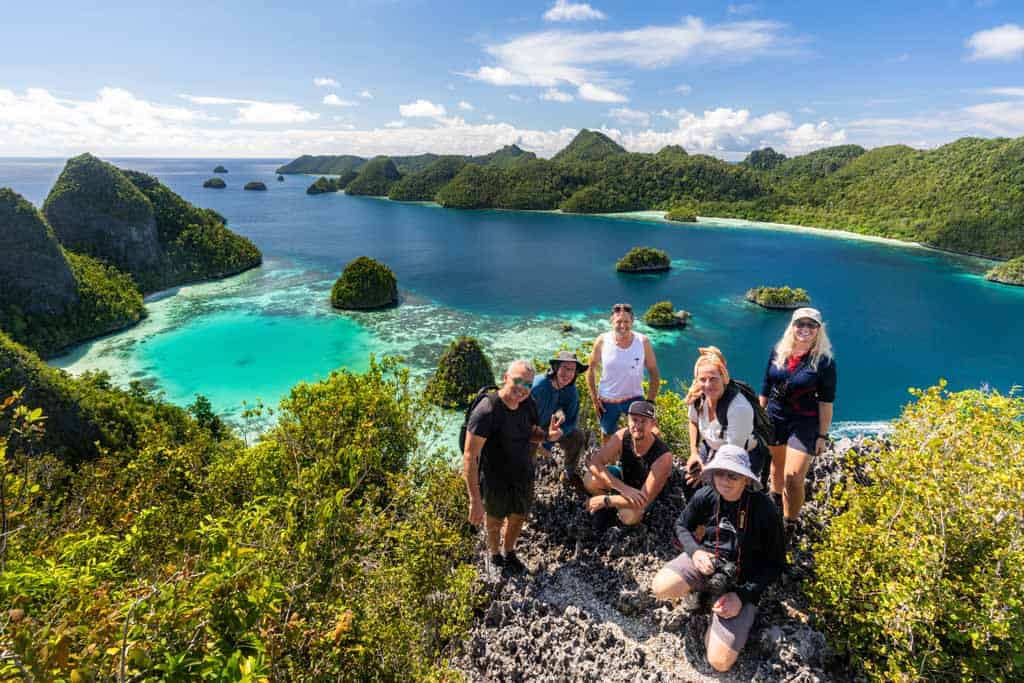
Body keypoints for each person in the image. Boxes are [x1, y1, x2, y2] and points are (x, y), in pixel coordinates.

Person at [651, 445, 785, 673]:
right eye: (720, 473)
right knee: (660, 587)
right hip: (707, 562)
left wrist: (742, 596)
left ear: (746, 479)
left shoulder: (765, 509)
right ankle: (702, 592)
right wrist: (695, 552)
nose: (725, 480)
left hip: (743, 582)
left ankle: (722, 612)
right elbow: (681, 525)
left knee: (719, 661)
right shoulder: (707, 495)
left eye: (733, 475)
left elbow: (776, 564)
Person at [464, 360, 562, 574]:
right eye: (518, 381)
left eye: (528, 384)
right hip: (494, 479)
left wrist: (547, 435)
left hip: (523, 472)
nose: (522, 388)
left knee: (518, 516)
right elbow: (470, 456)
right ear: (505, 378)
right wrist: (475, 500)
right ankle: (494, 554)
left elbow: (530, 432)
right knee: (495, 520)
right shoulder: (487, 410)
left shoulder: (528, 403)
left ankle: (509, 551)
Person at [758, 307, 836, 539]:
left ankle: (789, 522)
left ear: (819, 330)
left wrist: (822, 435)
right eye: (800, 324)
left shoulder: (824, 362)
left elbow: (826, 402)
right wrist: (758, 418)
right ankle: (773, 508)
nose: (805, 329)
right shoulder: (778, 351)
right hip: (775, 417)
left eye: (811, 325)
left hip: (804, 423)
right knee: (776, 469)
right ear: (792, 326)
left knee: (793, 476)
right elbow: (766, 386)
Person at [684, 346, 764, 500]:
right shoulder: (698, 397)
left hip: (741, 455)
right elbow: (693, 421)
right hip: (713, 447)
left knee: (723, 492)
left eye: (713, 379)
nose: (708, 385)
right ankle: (697, 515)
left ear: (724, 379)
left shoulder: (738, 408)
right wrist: (694, 453)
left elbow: (732, 454)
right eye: (702, 379)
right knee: (689, 482)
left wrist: (705, 472)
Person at [582, 400, 673, 527]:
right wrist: (622, 488)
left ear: (653, 424)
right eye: (634, 420)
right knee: (590, 479)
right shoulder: (622, 436)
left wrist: (606, 500)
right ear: (628, 421)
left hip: (644, 495)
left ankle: (608, 507)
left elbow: (644, 500)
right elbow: (595, 462)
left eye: (643, 421)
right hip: (624, 482)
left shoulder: (663, 457)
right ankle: (608, 510)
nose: (638, 425)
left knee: (629, 515)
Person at [586, 303, 661, 443]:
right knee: (607, 434)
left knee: (646, 433)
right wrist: (594, 399)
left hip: (634, 397)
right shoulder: (602, 340)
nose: (622, 325)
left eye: (626, 321)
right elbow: (590, 369)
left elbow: (654, 372)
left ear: (632, 321)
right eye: (618, 321)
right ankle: (610, 457)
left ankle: (637, 457)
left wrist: (650, 402)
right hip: (607, 400)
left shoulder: (643, 342)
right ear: (611, 321)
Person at [531, 351, 589, 494]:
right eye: (565, 368)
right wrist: (542, 442)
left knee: (577, 436)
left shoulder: (571, 391)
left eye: (572, 370)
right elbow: (521, 420)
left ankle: (568, 474)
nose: (568, 373)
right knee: (527, 458)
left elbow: (571, 420)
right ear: (556, 368)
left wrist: (558, 434)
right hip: (530, 430)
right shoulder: (538, 387)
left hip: (550, 427)